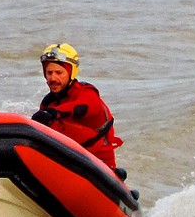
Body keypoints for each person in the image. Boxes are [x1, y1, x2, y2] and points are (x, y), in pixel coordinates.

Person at [31, 42, 125, 173]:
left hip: (98, 164)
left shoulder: (86, 93)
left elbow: (84, 107)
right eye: (49, 72)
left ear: (71, 73)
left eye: (59, 72)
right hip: (68, 160)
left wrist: (56, 113)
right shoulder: (48, 103)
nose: (53, 78)